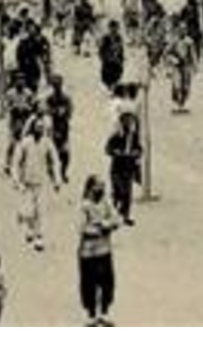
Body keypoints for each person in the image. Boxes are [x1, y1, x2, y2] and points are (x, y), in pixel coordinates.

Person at [77, 175, 121, 326]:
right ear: (90, 189)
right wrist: (103, 227)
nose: (101, 190)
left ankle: (104, 312)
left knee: (107, 282)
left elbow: (117, 219)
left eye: (102, 186)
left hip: (105, 250)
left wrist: (103, 224)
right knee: (89, 283)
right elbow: (82, 228)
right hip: (88, 252)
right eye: (98, 186)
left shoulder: (106, 203)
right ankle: (90, 313)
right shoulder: (84, 206)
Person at [12, 116, 61, 251]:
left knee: (40, 210)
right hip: (27, 182)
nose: (40, 129)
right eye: (37, 127)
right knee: (28, 210)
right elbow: (16, 162)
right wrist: (16, 180)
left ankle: (39, 236)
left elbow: (55, 161)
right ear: (32, 128)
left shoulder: (47, 143)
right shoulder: (25, 143)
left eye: (42, 127)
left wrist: (57, 179)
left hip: (42, 182)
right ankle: (30, 229)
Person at [106, 111, 143, 225]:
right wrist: (117, 152)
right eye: (126, 122)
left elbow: (140, 150)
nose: (129, 124)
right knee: (118, 191)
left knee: (127, 193)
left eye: (130, 122)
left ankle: (125, 215)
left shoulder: (134, 137)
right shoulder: (116, 136)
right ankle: (115, 212)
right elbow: (108, 149)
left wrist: (135, 153)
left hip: (128, 168)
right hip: (117, 168)